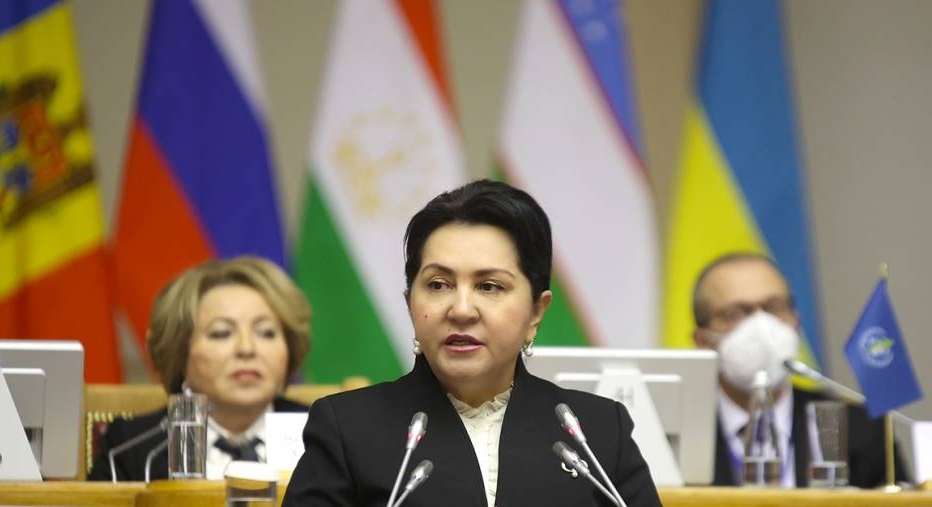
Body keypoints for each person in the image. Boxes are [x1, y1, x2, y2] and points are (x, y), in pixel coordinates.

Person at [284, 180, 661, 506]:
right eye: (438, 285)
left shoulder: (595, 432)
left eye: (489, 286)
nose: (462, 310)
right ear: (410, 303)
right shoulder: (348, 428)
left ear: (536, 312)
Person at [88, 256, 311, 481]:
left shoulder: (321, 435)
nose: (247, 349)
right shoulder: (130, 446)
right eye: (221, 333)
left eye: (266, 332)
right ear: (180, 351)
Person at [691, 252, 904, 488]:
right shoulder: (675, 433)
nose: (761, 327)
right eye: (736, 313)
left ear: (795, 321)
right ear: (702, 340)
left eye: (774, 308)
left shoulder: (859, 427)